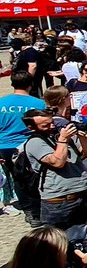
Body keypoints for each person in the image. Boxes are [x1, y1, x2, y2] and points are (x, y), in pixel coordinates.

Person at [21, 109, 87, 230]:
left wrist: (83, 138)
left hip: (84, 194)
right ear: (31, 128)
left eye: (51, 122)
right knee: (60, 241)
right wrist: (63, 140)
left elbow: (83, 153)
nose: (51, 126)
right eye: (45, 125)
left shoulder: (59, 136)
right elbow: (58, 162)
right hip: (59, 202)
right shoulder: (35, 143)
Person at [0, 71, 45, 224]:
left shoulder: (1, 103)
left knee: (17, 178)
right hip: (28, 145)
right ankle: (37, 209)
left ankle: (29, 211)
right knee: (36, 177)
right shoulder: (38, 103)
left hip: (5, 145)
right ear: (31, 84)